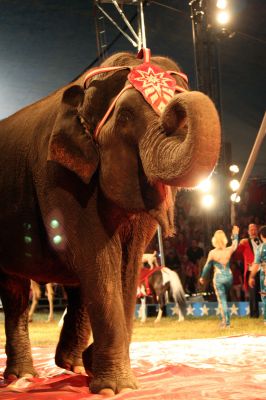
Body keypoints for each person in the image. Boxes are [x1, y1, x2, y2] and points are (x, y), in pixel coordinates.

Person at [199, 225, 239, 328]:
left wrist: (202, 277)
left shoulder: (212, 253)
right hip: (229, 277)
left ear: (214, 240)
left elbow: (207, 267)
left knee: (222, 300)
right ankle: (223, 320)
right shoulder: (228, 250)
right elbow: (235, 244)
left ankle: (227, 323)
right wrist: (235, 234)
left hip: (219, 278)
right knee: (224, 299)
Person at [235, 223, 261, 318]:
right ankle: (254, 316)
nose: (253, 231)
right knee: (253, 294)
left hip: (262, 271)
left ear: (257, 231)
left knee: (263, 293)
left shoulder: (262, 241)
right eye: (251, 230)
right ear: (248, 232)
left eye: (255, 229)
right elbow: (236, 251)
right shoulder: (245, 242)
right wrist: (235, 238)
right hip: (251, 272)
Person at [249, 225, 266, 325]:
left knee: (265, 296)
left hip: (264, 275)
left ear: (261, 235)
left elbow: (255, 265)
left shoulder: (260, 248)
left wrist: (251, 277)